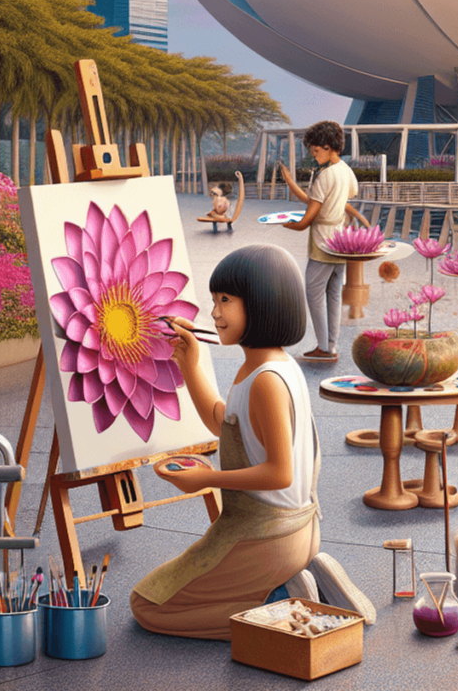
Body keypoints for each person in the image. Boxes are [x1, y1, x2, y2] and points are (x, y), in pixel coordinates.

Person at [130, 244, 374, 639]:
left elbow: (279, 473)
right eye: (214, 300)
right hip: (290, 529)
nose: (214, 313)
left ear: (262, 303)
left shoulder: (266, 382)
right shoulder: (272, 364)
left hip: (269, 535)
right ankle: (300, 581)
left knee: (148, 609)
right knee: (157, 592)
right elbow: (221, 422)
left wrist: (207, 479)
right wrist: (189, 366)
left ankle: (278, 601)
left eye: (225, 300)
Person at [280, 121, 369, 363]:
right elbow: (336, 203)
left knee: (314, 292)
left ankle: (322, 346)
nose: (314, 156)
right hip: (339, 240)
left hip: (323, 242)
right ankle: (331, 346)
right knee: (333, 293)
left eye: (316, 151)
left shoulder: (324, 176)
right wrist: (291, 183)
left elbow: (309, 217)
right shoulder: (345, 171)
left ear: (328, 147)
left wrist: (289, 224)